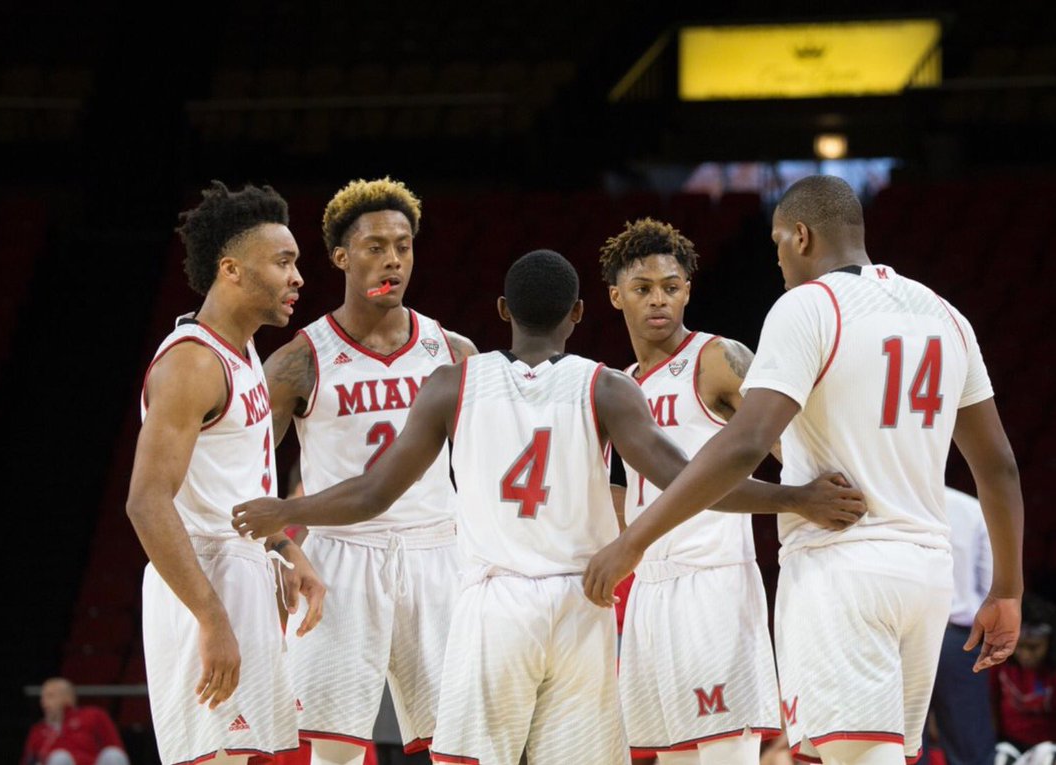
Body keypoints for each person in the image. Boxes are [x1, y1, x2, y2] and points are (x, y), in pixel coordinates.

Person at [233, 249, 865, 765]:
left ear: (504, 310)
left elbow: (373, 493)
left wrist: (288, 513)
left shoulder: (452, 382)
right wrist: (795, 497)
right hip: (580, 604)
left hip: (492, 605)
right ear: (582, 312)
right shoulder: (609, 387)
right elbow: (689, 482)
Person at [584, 175, 1026, 765]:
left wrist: (633, 541)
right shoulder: (946, 315)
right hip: (926, 574)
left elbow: (743, 446)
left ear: (800, 236)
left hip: (842, 567)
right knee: (846, 755)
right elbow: (998, 468)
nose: (778, 263)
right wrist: (1009, 589)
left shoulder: (806, 307)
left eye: (777, 247)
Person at [259, 177, 476, 765]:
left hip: (439, 550)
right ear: (339, 257)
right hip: (340, 555)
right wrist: (280, 548)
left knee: (463, 742)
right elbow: (249, 474)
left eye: (403, 246)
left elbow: (489, 468)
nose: (393, 260)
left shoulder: (454, 352)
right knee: (332, 752)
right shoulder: (299, 361)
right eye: (376, 246)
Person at [600, 218, 820, 764]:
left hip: (713, 584)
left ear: (688, 290)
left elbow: (795, 453)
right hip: (648, 590)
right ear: (615, 296)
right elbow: (623, 498)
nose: (659, 301)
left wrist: (807, 505)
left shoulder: (718, 359)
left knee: (728, 756)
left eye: (671, 288)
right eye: (643, 289)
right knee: (670, 757)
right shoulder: (620, 383)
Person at [126, 181, 325, 765]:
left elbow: (235, 490)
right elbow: (146, 502)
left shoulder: (239, 355)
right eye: (283, 261)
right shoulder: (193, 361)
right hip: (205, 581)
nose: (298, 278)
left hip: (239, 573)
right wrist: (211, 617)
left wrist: (289, 552)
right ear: (232, 269)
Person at [921, 487, 995, 765]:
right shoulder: (971, 508)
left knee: (904, 745)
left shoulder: (888, 498)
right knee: (969, 746)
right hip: (959, 638)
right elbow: (990, 586)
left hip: (902, 634)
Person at [990, 596, 1056, 749]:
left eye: (1033, 647)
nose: (1025, 655)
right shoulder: (999, 656)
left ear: (1050, 642)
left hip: (1055, 748)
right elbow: (989, 702)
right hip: (1010, 745)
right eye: (1019, 647)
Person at [20, 678, 128, 765]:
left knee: (113, 754)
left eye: (50, 696)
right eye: (42, 698)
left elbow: (116, 747)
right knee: (60, 757)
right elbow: (27, 761)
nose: (43, 702)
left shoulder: (93, 716)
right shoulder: (38, 730)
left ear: (67, 698)